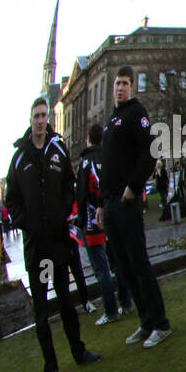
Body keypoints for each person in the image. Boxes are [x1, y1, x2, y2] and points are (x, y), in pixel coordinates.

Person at [6, 97, 101, 372]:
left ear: (49, 118)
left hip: (60, 244)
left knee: (66, 301)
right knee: (42, 311)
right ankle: (52, 368)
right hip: (38, 249)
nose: (40, 120)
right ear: (30, 118)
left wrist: (62, 213)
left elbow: (70, 187)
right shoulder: (19, 158)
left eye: (44, 115)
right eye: (36, 115)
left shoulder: (57, 149)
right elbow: (12, 200)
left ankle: (78, 350)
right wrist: (27, 223)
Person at [100, 64, 172, 348]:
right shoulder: (111, 119)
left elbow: (149, 152)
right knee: (124, 268)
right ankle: (145, 322)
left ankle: (161, 323)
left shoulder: (136, 113)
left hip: (126, 201)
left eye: (125, 83)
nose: (120, 88)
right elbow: (108, 164)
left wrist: (134, 186)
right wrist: (100, 203)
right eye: (117, 83)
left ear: (132, 87)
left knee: (139, 263)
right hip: (110, 204)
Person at [76, 123, 122, 325]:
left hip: (93, 220)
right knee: (117, 261)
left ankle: (111, 310)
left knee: (101, 269)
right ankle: (127, 302)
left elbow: (80, 194)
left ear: (89, 138)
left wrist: (80, 221)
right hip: (111, 214)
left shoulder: (85, 162)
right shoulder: (110, 156)